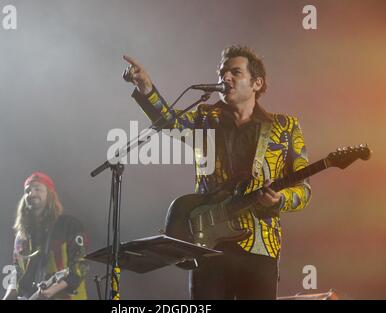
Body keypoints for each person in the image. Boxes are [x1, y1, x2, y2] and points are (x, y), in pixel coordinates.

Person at [123, 45, 311, 300]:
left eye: (235, 72)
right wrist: (146, 89)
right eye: (222, 72)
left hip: (260, 246)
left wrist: (280, 200)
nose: (225, 78)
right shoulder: (205, 117)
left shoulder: (285, 127)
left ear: (257, 83)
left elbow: (303, 189)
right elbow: (170, 123)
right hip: (208, 245)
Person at [3, 172, 88, 300]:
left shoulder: (69, 225)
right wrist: (9, 294)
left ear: (50, 194)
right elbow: (17, 269)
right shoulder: (21, 236)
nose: (32, 193)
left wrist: (47, 293)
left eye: (38, 189)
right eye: (27, 191)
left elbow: (81, 266)